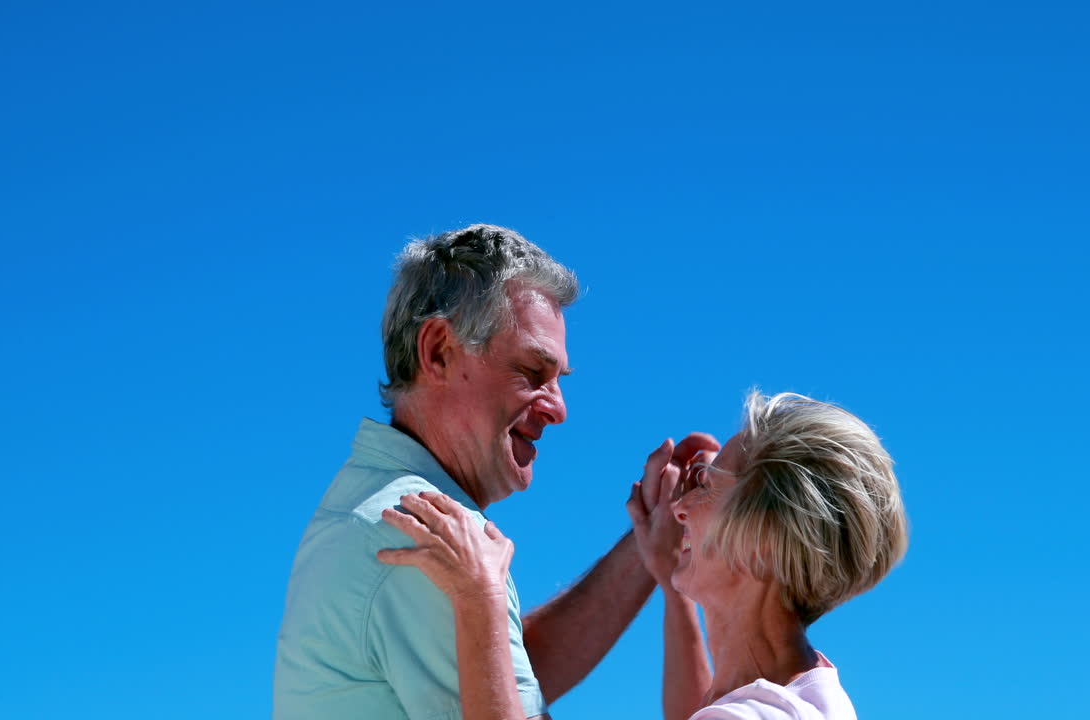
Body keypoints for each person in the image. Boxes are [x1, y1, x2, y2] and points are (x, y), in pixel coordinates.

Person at [273, 224, 715, 720]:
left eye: (558, 380)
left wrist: (647, 541)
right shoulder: (421, 534)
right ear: (438, 350)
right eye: (532, 372)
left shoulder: (395, 514)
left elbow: (501, 680)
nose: (559, 409)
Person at [379, 392, 908, 720]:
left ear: (761, 543)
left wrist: (482, 599)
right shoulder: (807, 688)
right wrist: (665, 575)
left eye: (706, 484)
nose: (682, 510)